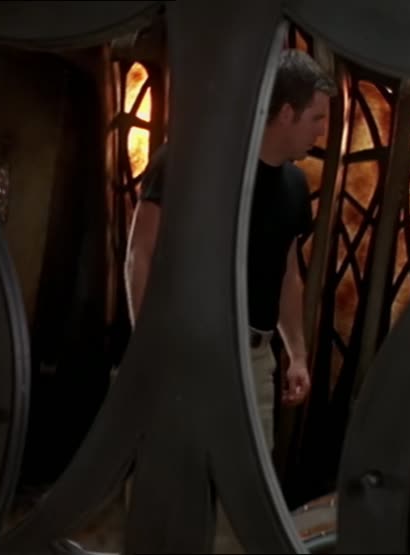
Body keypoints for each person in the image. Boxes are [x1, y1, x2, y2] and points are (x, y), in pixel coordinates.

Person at [125, 48, 337, 448]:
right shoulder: (190, 161)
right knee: (170, 467)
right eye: (317, 118)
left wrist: (297, 354)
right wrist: (147, 347)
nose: (321, 132)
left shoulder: (295, 187)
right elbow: (141, 254)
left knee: (247, 477)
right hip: (186, 347)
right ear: (287, 113)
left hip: (255, 360)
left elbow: (286, 274)